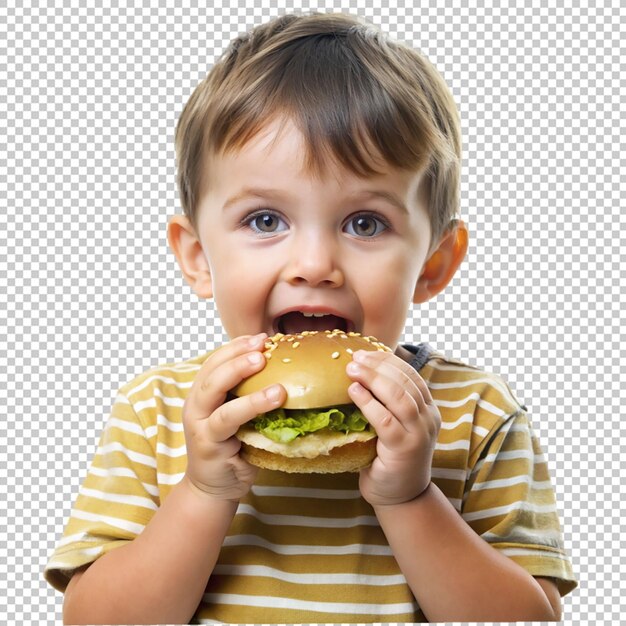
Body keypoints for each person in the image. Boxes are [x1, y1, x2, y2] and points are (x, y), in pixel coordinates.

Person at [45, 11, 577, 624]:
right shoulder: (157, 410)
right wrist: (201, 491)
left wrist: (410, 497)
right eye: (265, 220)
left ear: (433, 263)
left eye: (365, 223)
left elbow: (525, 620)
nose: (315, 264)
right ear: (197, 257)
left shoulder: (475, 413)